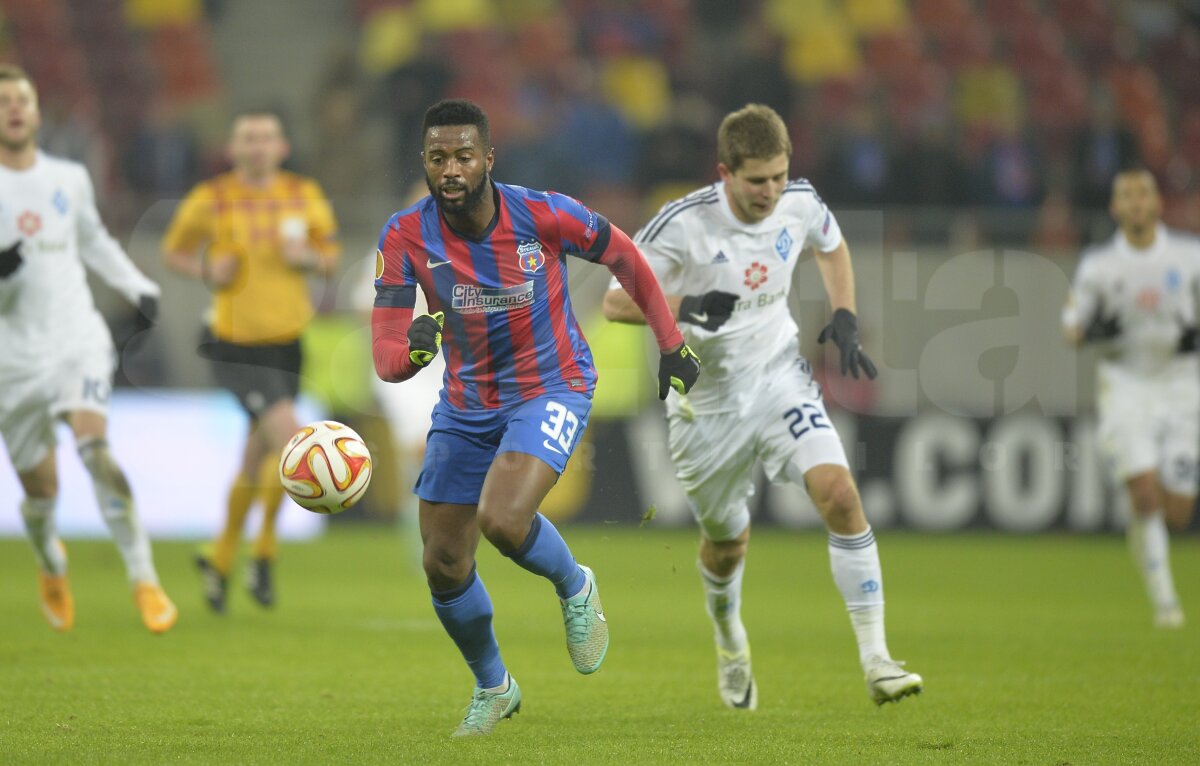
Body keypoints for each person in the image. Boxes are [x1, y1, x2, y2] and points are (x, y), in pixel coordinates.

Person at [372, 98, 699, 737]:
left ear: (488, 158)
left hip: (552, 385)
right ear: (426, 163)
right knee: (442, 561)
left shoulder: (543, 213)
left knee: (503, 517)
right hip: (466, 403)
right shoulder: (404, 235)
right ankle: (494, 686)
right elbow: (385, 352)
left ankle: (575, 585)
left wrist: (671, 342)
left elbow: (625, 256)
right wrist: (411, 352)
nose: (452, 169)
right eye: (439, 158)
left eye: (464, 155)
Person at [603, 103, 923, 709]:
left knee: (840, 493)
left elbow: (831, 245)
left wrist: (845, 316)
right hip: (706, 404)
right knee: (727, 545)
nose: (772, 191)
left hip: (780, 378)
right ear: (725, 172)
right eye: (757, 180)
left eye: (779, 176)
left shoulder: (798, 201)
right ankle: (729, 640)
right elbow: (614, 303)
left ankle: (878, 659)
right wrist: (691, 303)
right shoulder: (683, 223)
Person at [0, 64, 176, 634]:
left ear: (37, 111)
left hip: (77, 337)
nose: (15, 109)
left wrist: (137, 287)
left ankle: (144, 578)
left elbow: (93, 241)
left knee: (96, 452)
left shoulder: (69, 177)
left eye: (22, 99)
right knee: (41, 490)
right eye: (3, 102)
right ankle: (51, 559)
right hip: (13, 358)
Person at [162, 110, 340, 613]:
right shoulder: (212, 197)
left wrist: (306, 257)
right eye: (248, 138)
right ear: (232, 148)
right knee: (289, 438)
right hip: (234, 342)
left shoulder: (303, 194)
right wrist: (206, 268)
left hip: (288, 339)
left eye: (266, 137)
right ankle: (263, 550)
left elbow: (330, 254)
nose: (258, 146)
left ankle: (219, 559)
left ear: (282, 147)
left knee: (257, 454)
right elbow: (174, 251)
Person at [1063, 168, 1199, 629]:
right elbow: (1071, 325)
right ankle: (1166, 604)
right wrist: (1088, 331)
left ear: (1159, 204)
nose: (1137, 203)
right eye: (1127, 196)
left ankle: (1143, 533)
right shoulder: (1098, 265)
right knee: (1144, 493)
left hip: (1182, 386)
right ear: (1115, 208)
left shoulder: (1189, 255)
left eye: (1144, 194)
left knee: (1177, 511)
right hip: (1125, 386)